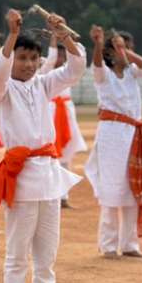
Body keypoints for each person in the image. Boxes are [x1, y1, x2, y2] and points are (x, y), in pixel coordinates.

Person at [0, 8, 85, 283]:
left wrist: (63, 34)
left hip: (50, 176)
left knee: (46, 255)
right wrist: (11, 35)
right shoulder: (2, 90)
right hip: (22, 177)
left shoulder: (44, 85)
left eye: (33, 58)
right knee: (17, 254)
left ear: (41, 61)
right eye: (22, 58)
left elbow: (76, 67)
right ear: (13, 59)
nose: (27, 64)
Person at [84, 27, 142, 259]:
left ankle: (130, 245)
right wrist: (99, 44)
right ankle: (109, 245)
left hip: (133, 134)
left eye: (127, 47)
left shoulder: (132, 73)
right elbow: (97, 66)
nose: (125, 51)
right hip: (111, 135)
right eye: (119, 48)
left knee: (133, 188)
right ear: (110, 53)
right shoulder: (104, 75)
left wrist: (126, 52)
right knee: (111, 190)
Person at [36, 33, 89, 209]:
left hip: (67, 113)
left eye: (62, 55)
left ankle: (64, 196)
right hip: (51, 113)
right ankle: (53, 194)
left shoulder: (67, 72)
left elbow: (77, 63)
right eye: (57, 54)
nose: (59, 58)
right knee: (53, 155)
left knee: (67, 154)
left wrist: (65, 38)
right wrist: (53, 37)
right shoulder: (45, 69)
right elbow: (50, 59)